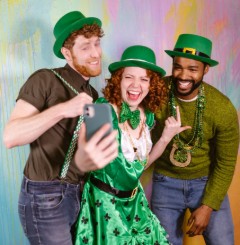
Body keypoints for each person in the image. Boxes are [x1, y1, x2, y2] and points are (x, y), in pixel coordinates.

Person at [3, 11, 118, 244]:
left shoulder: (93, 95)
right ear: (67, 53)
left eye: (97, 44)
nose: (96, 53)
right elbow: (10, 136)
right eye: (85, 47)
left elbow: (92, 155)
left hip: (79, 194)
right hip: (45, 197)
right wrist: (64, 109)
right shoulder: (44, 79)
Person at [74, 45, 191, 244]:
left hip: (135, 202)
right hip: (104, 206)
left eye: (144, 79)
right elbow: (94, 165)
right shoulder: (98, 110)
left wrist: (165, 138)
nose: (136, 85)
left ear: (151, 84)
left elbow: (139, 167)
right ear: (119, 79)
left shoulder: (148, 115)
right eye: (129, 77)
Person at [150, 33, 239, 245]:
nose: (183, 75)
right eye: (178, 67)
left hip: (205, 183)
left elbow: (226, 163)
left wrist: (208, 205)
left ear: (205, 69)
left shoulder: (222, 108)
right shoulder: (157, 92)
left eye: (192, 69)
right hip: (165, 182)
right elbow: (127, 103)